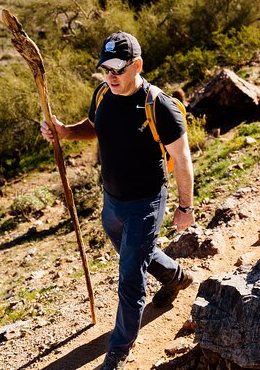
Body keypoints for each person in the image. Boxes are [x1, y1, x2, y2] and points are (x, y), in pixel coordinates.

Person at [41, 31, 195, 370]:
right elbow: (95, 125)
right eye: (105, 68)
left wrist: (185, 208)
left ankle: (118, 349)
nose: (110, 76)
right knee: (137, 253)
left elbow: (182, 161)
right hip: (111, 201)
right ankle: (176, 278)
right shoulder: (102, 94)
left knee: (129, 276)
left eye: (118, 69)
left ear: (136, 65)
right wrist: (65, 131)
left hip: (146, 201)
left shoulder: (159, 105)